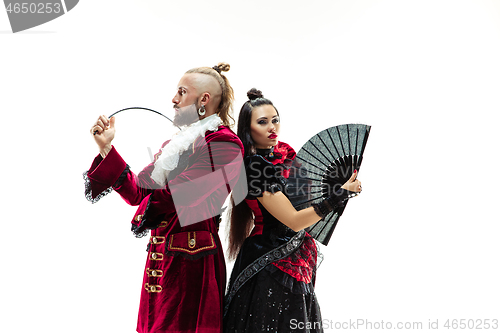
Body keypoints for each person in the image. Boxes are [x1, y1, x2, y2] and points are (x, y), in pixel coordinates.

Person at [84, 63, 244, 333]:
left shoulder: (226, 144)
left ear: (203, 99)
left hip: (193, 265)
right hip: (162, 260)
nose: (174, 99)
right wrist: (106, 148)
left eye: (182, 92)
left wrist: (148, 202)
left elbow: (178, 195)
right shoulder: (177, 146)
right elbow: (137, 192)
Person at [223, 88, 362, 332]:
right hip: (269, 259)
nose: (272, 127)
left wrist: (338, 190)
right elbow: (295, 220)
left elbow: (306, 207)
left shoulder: (285, 154)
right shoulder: (254, 167)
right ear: (248, 129)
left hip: (297, 256)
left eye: (275, 120)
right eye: (262, 122)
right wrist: (339, 195)